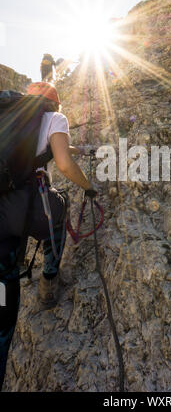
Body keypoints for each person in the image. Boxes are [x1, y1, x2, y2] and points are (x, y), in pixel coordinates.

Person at [0, 82, 97, 390]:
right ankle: (48, 278)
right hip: (20, 212)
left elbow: (45, 146)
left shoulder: (10, 114)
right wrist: (88, 187)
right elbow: (64, 163)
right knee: (58, 208)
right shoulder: (55, 118)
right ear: (55, 104)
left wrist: (73, 147)